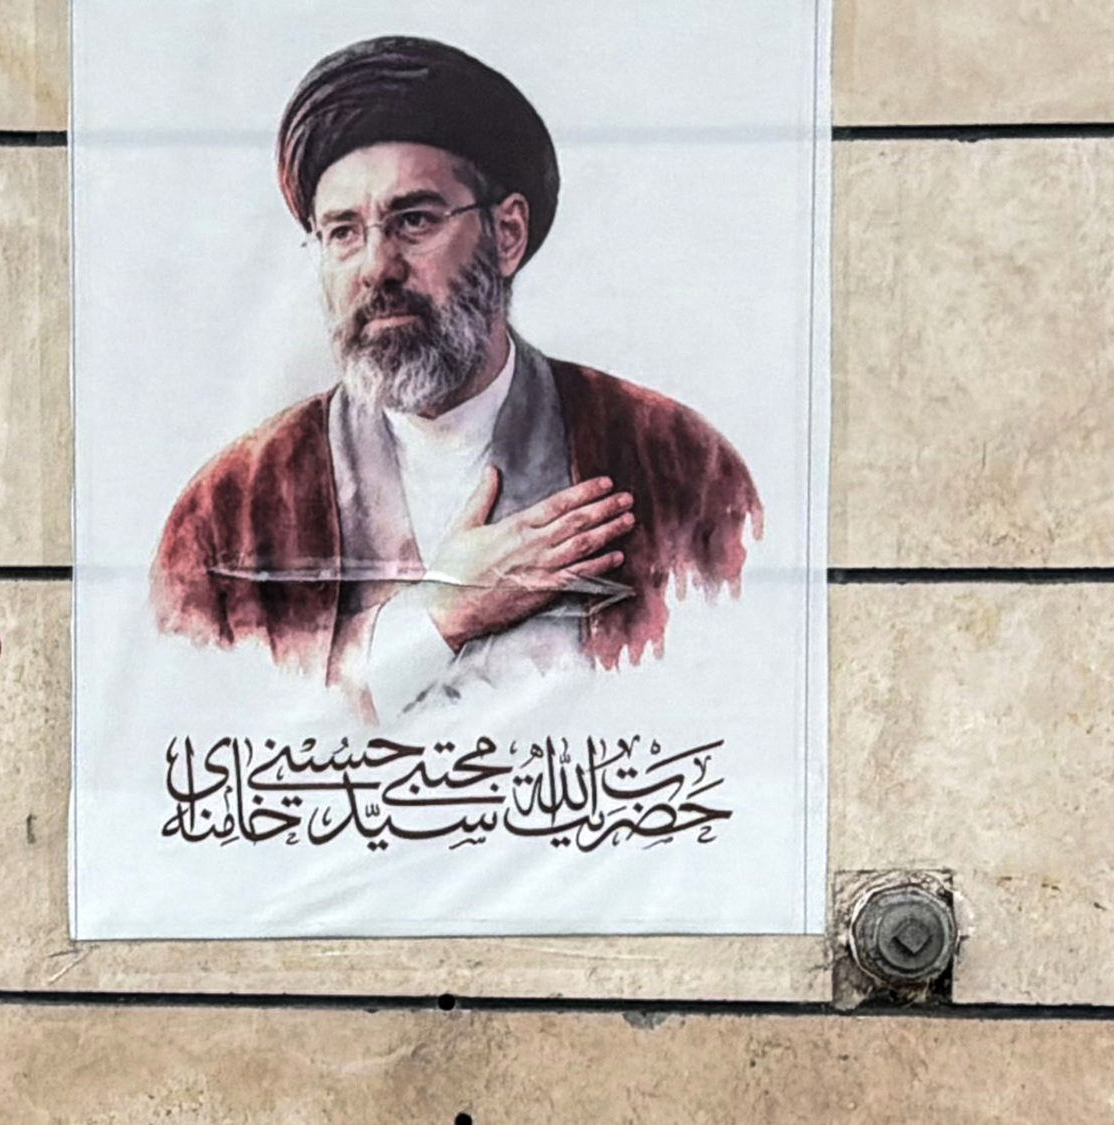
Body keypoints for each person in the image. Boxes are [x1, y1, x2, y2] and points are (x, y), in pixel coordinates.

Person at [150, 35, 762, 719]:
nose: (377, 267)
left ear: (507, 235)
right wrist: (441, 615)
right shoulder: (231, 511)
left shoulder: (681, 467)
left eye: (413, 220)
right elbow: (202, 744)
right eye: (343, 232)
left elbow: (730, 715)